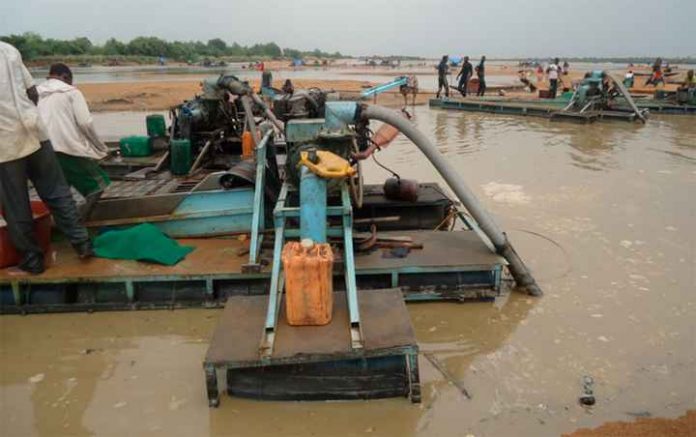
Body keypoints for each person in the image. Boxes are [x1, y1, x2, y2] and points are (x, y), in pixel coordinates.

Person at [0, 42, 93, 274]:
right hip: (36, 130)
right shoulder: (8, 50)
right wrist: (25, 114)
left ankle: (32, 260)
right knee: (57, 190)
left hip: (6, 141)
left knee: (16, 202)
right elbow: (32, 92)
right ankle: (82, 243)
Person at [37, 63, 111, 221]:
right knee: (98, 185)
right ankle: (80, 223)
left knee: (60, 191)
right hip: (67, 148)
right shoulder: (71, 92)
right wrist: (100, 148)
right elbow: (85, 123)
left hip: (41, 150)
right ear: (65, 77)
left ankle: (61, 224)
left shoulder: (36, 92)